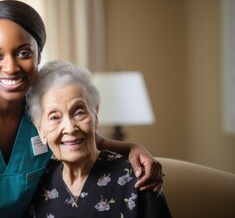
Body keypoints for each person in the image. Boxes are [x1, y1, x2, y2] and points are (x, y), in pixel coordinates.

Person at [0, 0, 164, 218]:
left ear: (39, 56)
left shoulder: (41, 110)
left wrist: (133, 149)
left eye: (24, 53)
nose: (11, 67)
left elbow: (80, 138)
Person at [24, 60, 172, 217]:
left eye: (79, 112)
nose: (70, 128)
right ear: (40, 129)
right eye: (54, 117)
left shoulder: (136, 178)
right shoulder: (37, 184)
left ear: (95, 115)